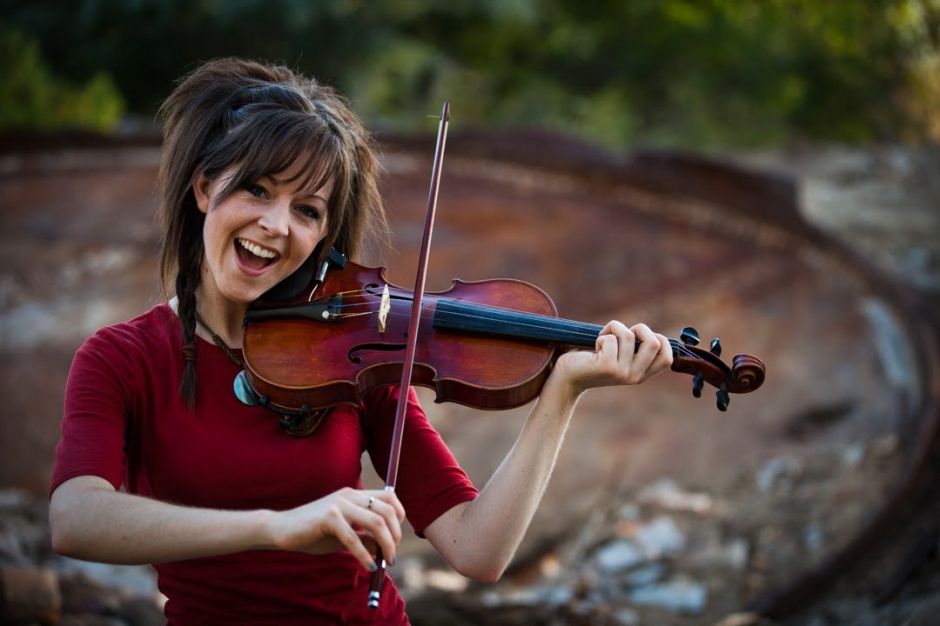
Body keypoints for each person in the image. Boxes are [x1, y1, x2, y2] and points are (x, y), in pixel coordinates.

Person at [49, 57, 673, 624]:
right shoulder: (122, 359)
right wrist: (276, 528)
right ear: (205, 186)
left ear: (325, 235)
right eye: (258, 190)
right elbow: (76, 518)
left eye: (308, 210)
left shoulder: (351, 353)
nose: (275, 225)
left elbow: (478, 549)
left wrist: (561, 393)